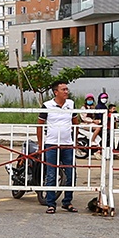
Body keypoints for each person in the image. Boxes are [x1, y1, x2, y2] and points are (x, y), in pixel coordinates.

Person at [35, 81, 79, 213]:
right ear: (56, 92)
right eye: (63, 89)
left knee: (71, 174)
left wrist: (75, 141)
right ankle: (51, 203)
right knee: (51, 174)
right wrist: (41, 145)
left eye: (67, 89)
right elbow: (40, 125)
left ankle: (67, 202)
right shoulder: (47, 105)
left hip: (67, 144)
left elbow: (75, 122)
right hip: (52, 144)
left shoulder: (71, 104)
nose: (66, 91)